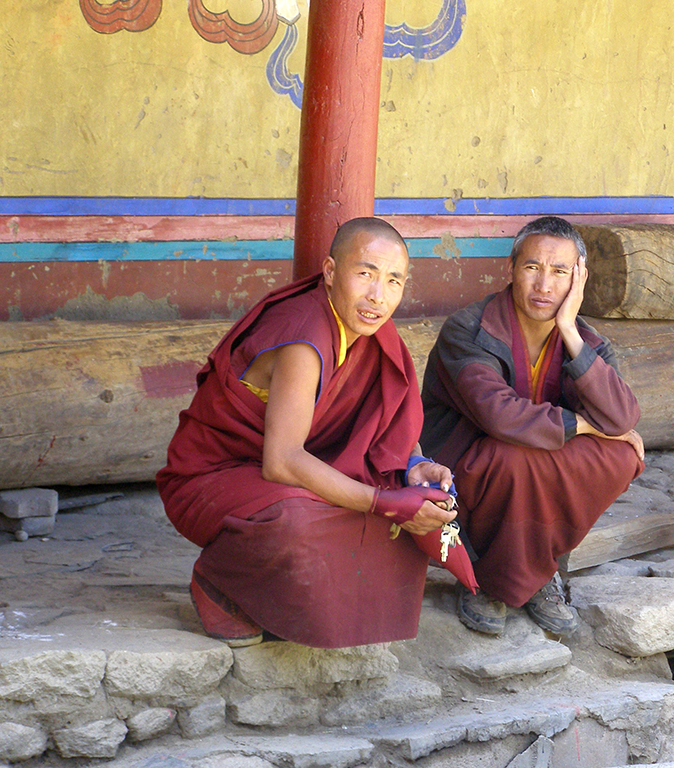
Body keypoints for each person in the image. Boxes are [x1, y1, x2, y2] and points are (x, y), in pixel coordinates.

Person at [157, 217, 457, 649]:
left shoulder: (368, 326)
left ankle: (287, 603)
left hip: (281, 471)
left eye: (393, 281)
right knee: (309, 519)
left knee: (398, 509)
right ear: (331, 272)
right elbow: (282, 461)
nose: (378, 295)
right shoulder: (304, 336)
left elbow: (388, 418)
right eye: (365, 274)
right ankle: (219, 582)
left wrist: (415, 465)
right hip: (210, 479)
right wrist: (384, 502)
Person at [420, 216, 645, 636]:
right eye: (532, 268)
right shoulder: (470, 330)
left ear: (579, 280)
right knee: (514, 460)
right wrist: (584, 425)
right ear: (510, 270)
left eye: (560, 272)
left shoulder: (585, 340)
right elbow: (500, 417)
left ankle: (536, 569)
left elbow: (621, 420)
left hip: (535, 457)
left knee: (620, 455)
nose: (544, 285)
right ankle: (491, 581)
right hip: (467, 462)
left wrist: (568, 330)